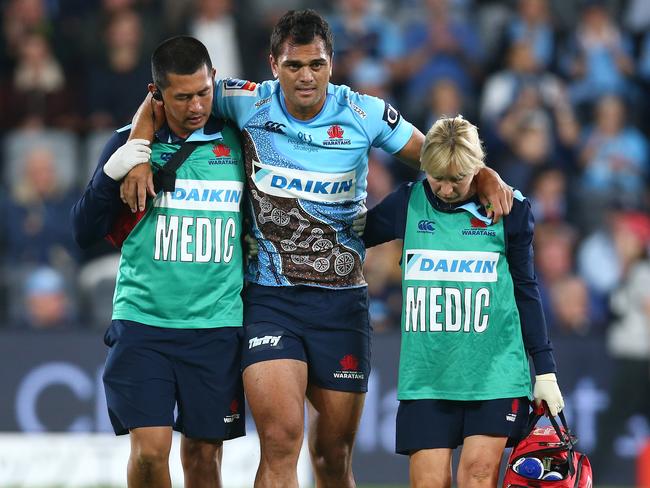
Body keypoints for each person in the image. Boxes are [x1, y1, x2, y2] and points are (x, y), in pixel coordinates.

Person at [121, 10, 513, 488]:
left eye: (317, 64)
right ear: (273, 65)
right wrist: (139, 157)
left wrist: (488, 174)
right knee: (282, 442)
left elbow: (440, 158)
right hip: (270, 299)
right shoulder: (244, 102)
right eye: (293, 66)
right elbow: (160, 102)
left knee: (331, 457)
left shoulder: (363, 113)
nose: (306, 77)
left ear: (332, 63)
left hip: (341, 304)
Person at [71, 36, 245, 488]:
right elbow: (82, 231)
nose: (196, 106)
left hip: (216, 325)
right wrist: (114, 171)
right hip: (144, 323)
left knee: (204, 460)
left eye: (204, 92)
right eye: (182, 96)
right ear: (156, 94)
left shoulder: (239, 142)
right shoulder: (126, 148)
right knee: (149, 454)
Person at [362, 115, 564, 488]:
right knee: (429, 482)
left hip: (495, 374)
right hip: (427, 376)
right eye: (437, 177)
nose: (446, 188)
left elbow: (526, 288)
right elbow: (353, 235)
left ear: (477, 169)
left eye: (458, 178)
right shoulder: (408, 203)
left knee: (477, 476)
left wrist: (545, 370)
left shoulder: (510, 210)